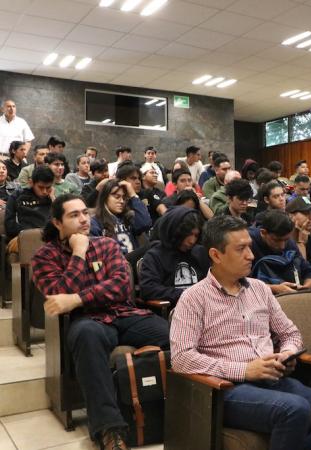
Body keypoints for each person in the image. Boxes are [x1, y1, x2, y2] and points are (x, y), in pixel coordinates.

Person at [170, 215, 311, 450]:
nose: (251, 255)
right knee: (296, 410)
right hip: (226, 389)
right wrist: (244, 370)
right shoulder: (194, 298)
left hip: (271, 379)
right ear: (216, 255)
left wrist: (286, 355)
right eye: (241, 249)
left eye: (249, 247)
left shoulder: (260, 289)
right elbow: (181, 359)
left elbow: (290, 333)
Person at [32, 194, 168, 450]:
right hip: (89, 322)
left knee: (174, 336)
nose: (84, 219)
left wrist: (78, 298)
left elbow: (121, 286)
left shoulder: (106, 245)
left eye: (85, 212)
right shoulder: (44, 257)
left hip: (126, 315)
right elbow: (59, 295)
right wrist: (79, 253)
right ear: (57, 222)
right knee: (87, 336)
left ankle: (173, 410)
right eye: (74, 215)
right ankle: (110, 429)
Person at [140, 207, 209, 306]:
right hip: (174, 309)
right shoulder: (154, 256)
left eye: (196, 235)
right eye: (188, 234)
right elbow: (148, 289)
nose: (192, 241)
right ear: (175, 232)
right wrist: (186, 295)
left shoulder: (199, 253)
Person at [249, 210, 311, 294]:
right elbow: (239, 283)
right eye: (277, 240)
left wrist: (305, 287)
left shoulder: (289, 243)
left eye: (286, 240)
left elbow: (309, 271)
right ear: (263, 232)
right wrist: (274, 289)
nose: (282, 246)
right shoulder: (247, 244)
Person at [90, 179, 152, 256]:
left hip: (134, 262)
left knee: (155, 244)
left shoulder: (127, 218)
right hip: (116, 263)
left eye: (124, 198)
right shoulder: (95, 222)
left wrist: (133, 195)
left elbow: (145, 224)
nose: (122, 201)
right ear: (105, 198)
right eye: (117, 197)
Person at [5, 166, 54, 253]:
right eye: (41, 187)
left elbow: (60, 224)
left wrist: (54, 200)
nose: (45, 191)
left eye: (48, 187)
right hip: (23, 237)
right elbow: (10, 226)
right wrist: (29, 236)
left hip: (48, 239)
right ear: (31, 182)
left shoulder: (53, 200)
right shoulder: (17, 196)